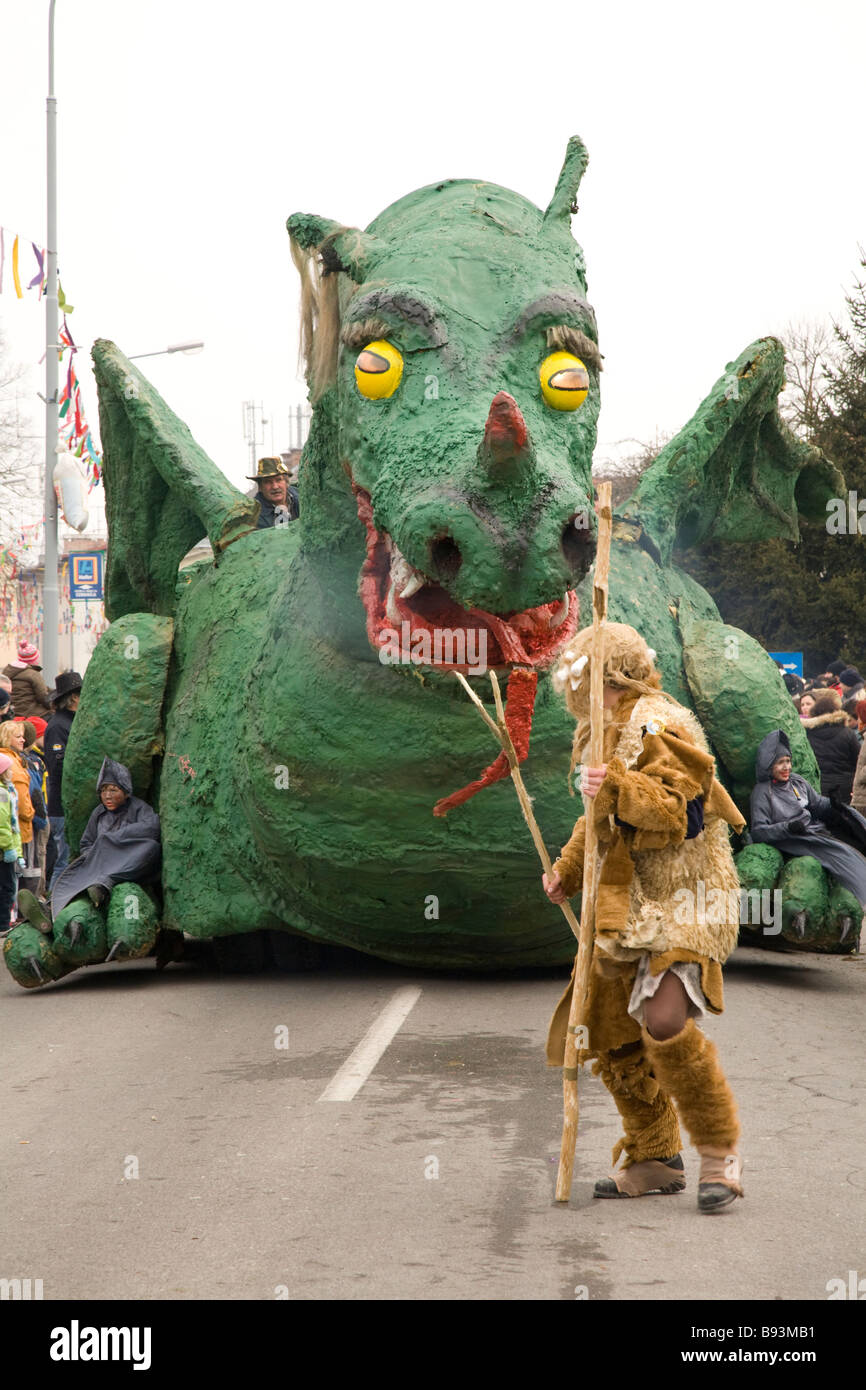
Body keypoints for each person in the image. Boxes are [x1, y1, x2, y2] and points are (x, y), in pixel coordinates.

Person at [543, 623, 746, 1213]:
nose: (577, 698)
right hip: (626, 902)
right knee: (607, 1024)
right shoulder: (600, 734)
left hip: (685, 901)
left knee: (662, 1019)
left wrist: (617, 787)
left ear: (609, 679)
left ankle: (719, 1152)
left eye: (583, 685)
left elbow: (677, 812)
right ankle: (656, 1154)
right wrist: (567, 867)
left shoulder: (661, 721)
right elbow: (597, 822)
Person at [750, 729, 866, 910]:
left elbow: (817, 804)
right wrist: (788, 828)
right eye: (780, 763)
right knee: (845, 857)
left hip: (814, 831)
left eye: (788, 761)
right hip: (793, 840)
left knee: (856, 833)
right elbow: (758, 831)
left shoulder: (797, 781)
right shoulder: (762, 792)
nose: (786, 767)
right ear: (769, 766)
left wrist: (834, 804)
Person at [47, 758, 161, 920]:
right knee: (75, 878)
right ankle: (49, 908)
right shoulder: (99, 813)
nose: (107, 795)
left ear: (126, 792)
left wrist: (113, 839)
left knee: (151, 848)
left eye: (113, 790)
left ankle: (105, 883)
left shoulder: (139, 808)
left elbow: (152, 828)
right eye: (103, 790)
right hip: (101, 864)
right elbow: (87, 843)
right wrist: (96, 852)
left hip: (128, 863)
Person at [42, 671, 82, 889]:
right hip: (61, 805)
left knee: (68, 860)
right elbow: (58, 765)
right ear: (73, 697)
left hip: (68, 804)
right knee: (63, 862)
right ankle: (53, 908)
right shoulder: (59, 725)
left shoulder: (69, 722)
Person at [0, 720, 37, 915]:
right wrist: (32, 813)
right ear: (7, 738)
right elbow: (21, 801)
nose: (23, 739)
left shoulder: (13, 757)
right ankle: (18, 915)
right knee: (18, 876)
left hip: (15, 833)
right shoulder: (9, 761)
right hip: (19, 829)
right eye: (18, 736)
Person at [801, 689, 861, 802]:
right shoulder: (847, 733)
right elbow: (857, 760)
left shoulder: (808, 734)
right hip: (845, 787)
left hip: (819, 786)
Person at [0, 751, 25, 932]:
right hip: (3, 852)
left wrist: (19, 852)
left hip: (8, 848)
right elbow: (4, 823)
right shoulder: (2, 793)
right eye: (9, 769)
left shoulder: (7, 790)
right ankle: (2, 925)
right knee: (7, 888)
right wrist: (9, 848)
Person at [1, 640, 53, 720]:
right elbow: (42, 697)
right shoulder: (33, 674)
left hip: (12, 711)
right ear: (34, 660)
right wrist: (53, 706)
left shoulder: (7, 671)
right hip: (30, 713)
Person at [247, 456, 299, 528]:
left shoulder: (302, 497)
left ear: (286, 482)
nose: (275, 486)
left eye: (278, 480)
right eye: (268, 482)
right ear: (260, 487)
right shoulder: (254, 516)